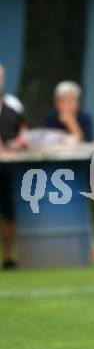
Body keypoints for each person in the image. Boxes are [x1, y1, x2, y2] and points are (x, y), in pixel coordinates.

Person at [45, 81, 94, 264]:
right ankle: (62, 252)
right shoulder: (51, 119)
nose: (70, 105)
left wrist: (71, 122)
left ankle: (91, 251)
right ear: (57, 102)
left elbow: (85, 146)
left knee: (82, 210)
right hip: (57, 175)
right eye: (66, 101)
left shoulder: (84, 117)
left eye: (74, 100)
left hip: (82, 170)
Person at [0, 64, 25, 269]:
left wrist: (19, 142)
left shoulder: (12, 107)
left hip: (7, 169)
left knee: (9, 213)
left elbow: (22, 131)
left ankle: (8, 257)